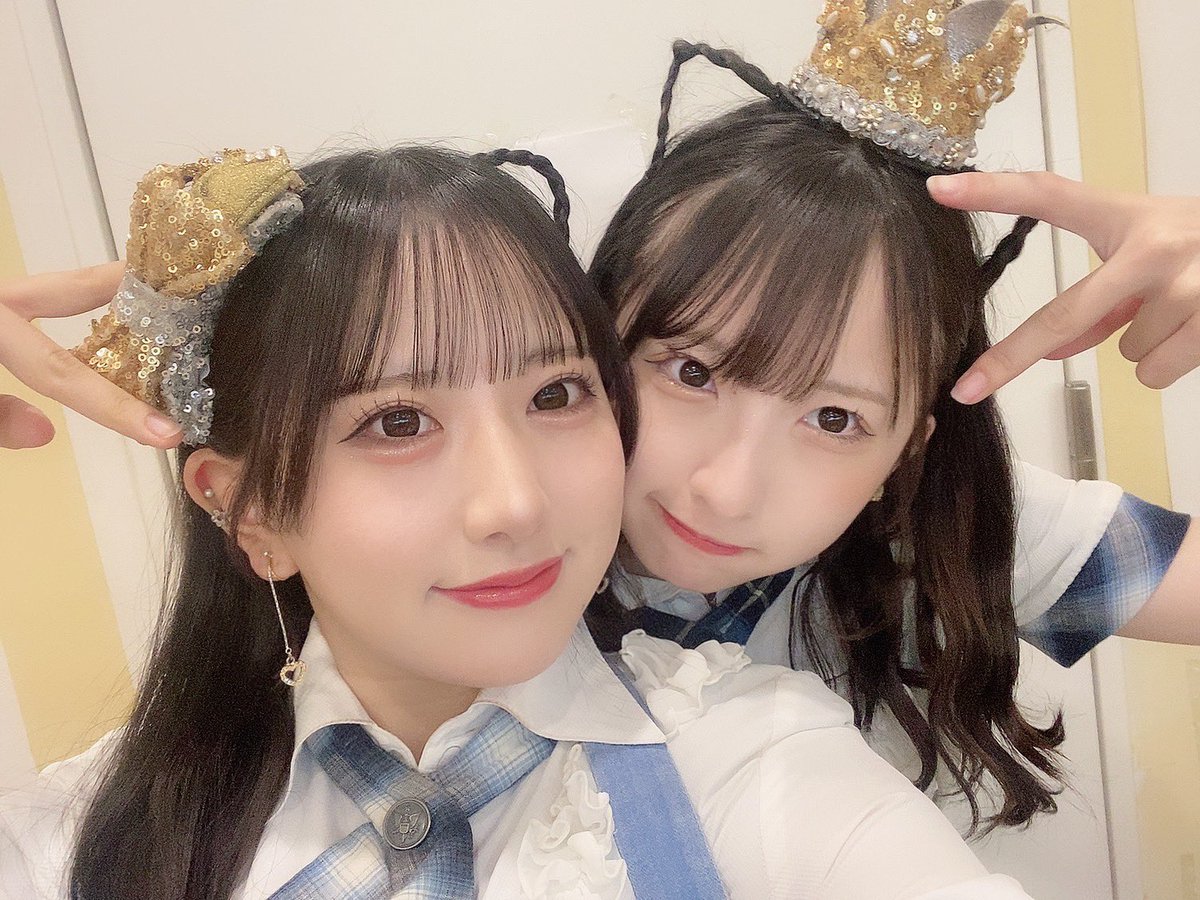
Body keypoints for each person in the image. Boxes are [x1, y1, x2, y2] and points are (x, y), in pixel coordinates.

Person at [0, 144, 1038, 899]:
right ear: (248, 511)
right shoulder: (74, 836)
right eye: (398, 422)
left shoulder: (746, 755)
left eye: (555, 395)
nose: (517, 503)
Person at [584, 15, 1197, 836]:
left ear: (908, 450)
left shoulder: (941, 532)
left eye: (834, 418)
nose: (727, 490)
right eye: (692, 372)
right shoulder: (476, 515)